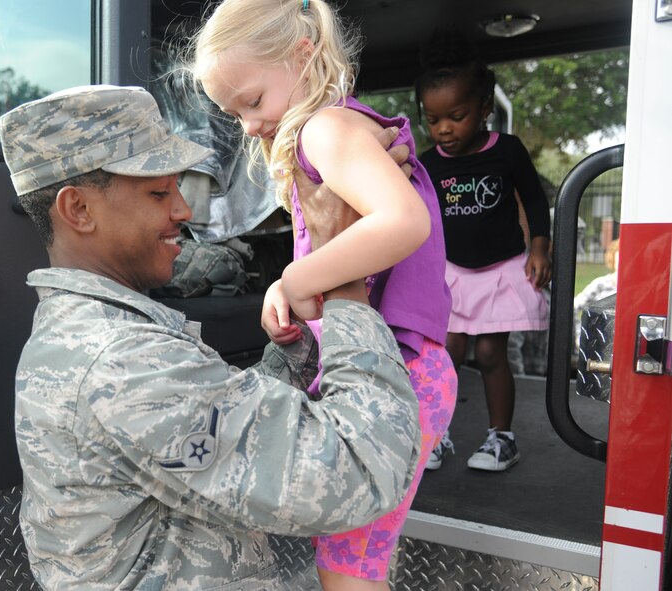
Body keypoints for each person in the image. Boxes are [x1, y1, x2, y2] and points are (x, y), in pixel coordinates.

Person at [0, 84, 424, 590]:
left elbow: (219, 434)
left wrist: (295, 351)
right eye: (159, 193)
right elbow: (362, 469)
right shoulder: (119, 360)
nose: (182, 210)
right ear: (79, 210)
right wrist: (347, 276)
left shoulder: (99, 336)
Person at [187, 1, 456, 588]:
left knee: (348, 568)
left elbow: (403, 222)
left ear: (302, 55)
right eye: (235, 114)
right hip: (393, 366)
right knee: (353, 557)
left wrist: (296, 281)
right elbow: (347, 239)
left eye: (253, 101)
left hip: (399, 371)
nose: (249, 125)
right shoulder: (341, 128)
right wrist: (294, 292)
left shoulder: (325, 129)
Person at [415, 33, 551, 472]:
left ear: (485, 109)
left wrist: (540, 249)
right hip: (453, 272)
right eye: (433, 120)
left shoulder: (506, 152)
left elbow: (534, 200)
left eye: (457, 116)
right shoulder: (428, 163)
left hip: (499, 268)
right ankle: (437, 435)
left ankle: (501, 438)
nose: (444, 129)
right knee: (446, 354)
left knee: (491, 354)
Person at [573, 238, 619, 354]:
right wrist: (581, 335)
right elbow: (574, 307)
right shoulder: (600, 285)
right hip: (599, 350)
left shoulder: (635, 289)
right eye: (621, 254)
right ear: (613, 257)